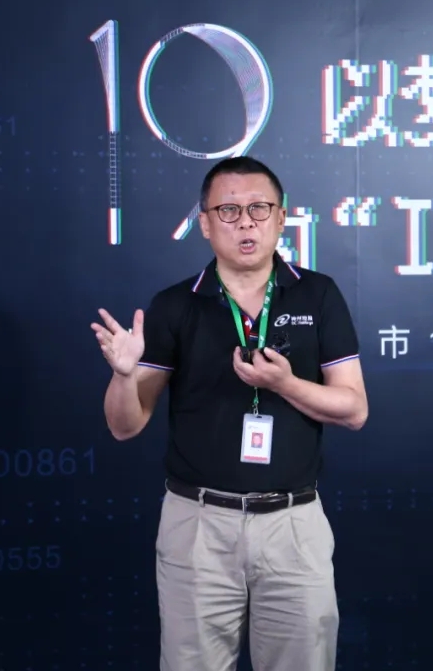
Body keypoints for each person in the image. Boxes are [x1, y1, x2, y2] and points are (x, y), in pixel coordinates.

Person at [90, 156, 368, 671]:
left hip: (293, 524)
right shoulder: (176, 304)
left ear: (281, 218)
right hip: (198, 526)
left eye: (259, 209)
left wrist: (284, 385)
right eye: (229, 210)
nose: (246, 222)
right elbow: (124, 426)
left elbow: (354, 409)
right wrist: (124, 375)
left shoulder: (318, 294)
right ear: (205, 223)